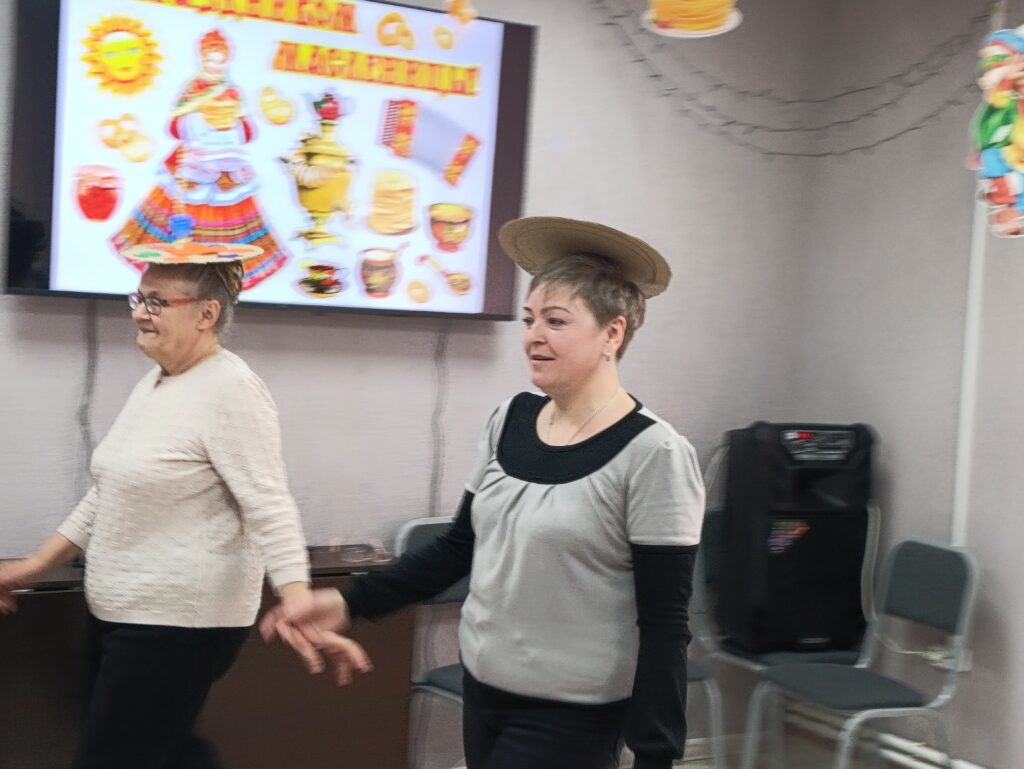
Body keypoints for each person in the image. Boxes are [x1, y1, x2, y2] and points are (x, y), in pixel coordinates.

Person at [262, 216, 706, 769]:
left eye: (556, 321)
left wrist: (656, 754)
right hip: (486, 689)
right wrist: (350, 602)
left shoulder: (655, 453)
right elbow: (458, 548)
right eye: (529, 319)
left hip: (575, 712)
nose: (534, 335)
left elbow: (665, 623)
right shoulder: (510, 419)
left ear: (612, 334)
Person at [0, 253, 368, 769]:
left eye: (156, 302)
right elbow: (109, 490)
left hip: (177, 622)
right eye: (138, 298)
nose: (138, 312)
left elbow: (269, 503)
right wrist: (34, 567)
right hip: (123, 613)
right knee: (164, 753)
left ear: (206, 314)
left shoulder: (230, 389)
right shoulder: (158, 382)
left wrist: (297, 597)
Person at [110, 29, 290, 290]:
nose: (215, 66)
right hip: (192, 162)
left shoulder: (232, 92)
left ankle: (218, 281)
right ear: (202, 59)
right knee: (179, 217)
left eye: (220, 61)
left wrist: (230, 125)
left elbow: (249, 131)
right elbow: (173, 127)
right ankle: (177, 276)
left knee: (231, 215)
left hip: (227, 164)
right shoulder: (192, 88)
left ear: (227, 61)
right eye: (210, 60)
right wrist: (197, 120)